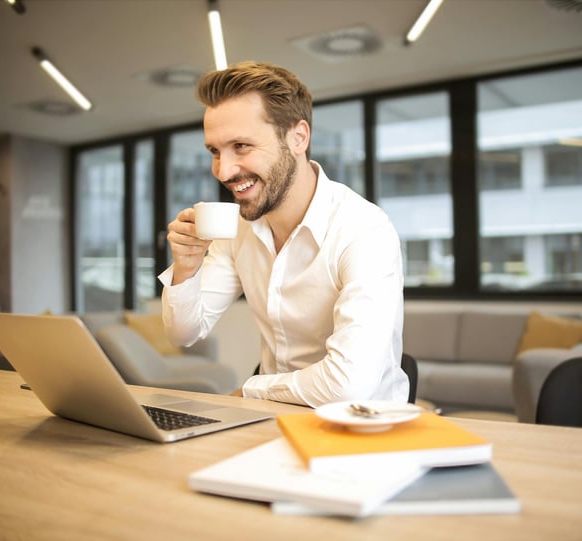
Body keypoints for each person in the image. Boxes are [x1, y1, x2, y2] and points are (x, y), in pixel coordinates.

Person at [159, 61, 408, 407]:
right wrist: (186, 267)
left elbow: (348, 386)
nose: (224, 170)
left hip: (360, 429)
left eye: (241, 146)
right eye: (215, 151)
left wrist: (252, 388)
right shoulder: (239, 230)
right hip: (272, 422)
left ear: (298, 137)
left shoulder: (364, 229)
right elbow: (184, 333)